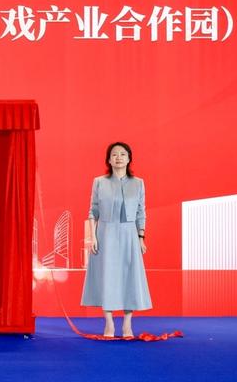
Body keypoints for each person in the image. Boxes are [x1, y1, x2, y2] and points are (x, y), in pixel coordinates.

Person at [81, 141, 151, 337]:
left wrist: (141, 237)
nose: (118, 157)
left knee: (130, 277)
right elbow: (93, 211)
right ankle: (109, 324)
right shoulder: (99, 182)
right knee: (108, 277)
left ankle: (127, 324)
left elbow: (141, 212)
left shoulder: (138, 183)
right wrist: (92, 237)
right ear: (109, 160)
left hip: (130, 235)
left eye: (122, 154)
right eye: (114, 154)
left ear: (129, 159)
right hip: (105, 234)